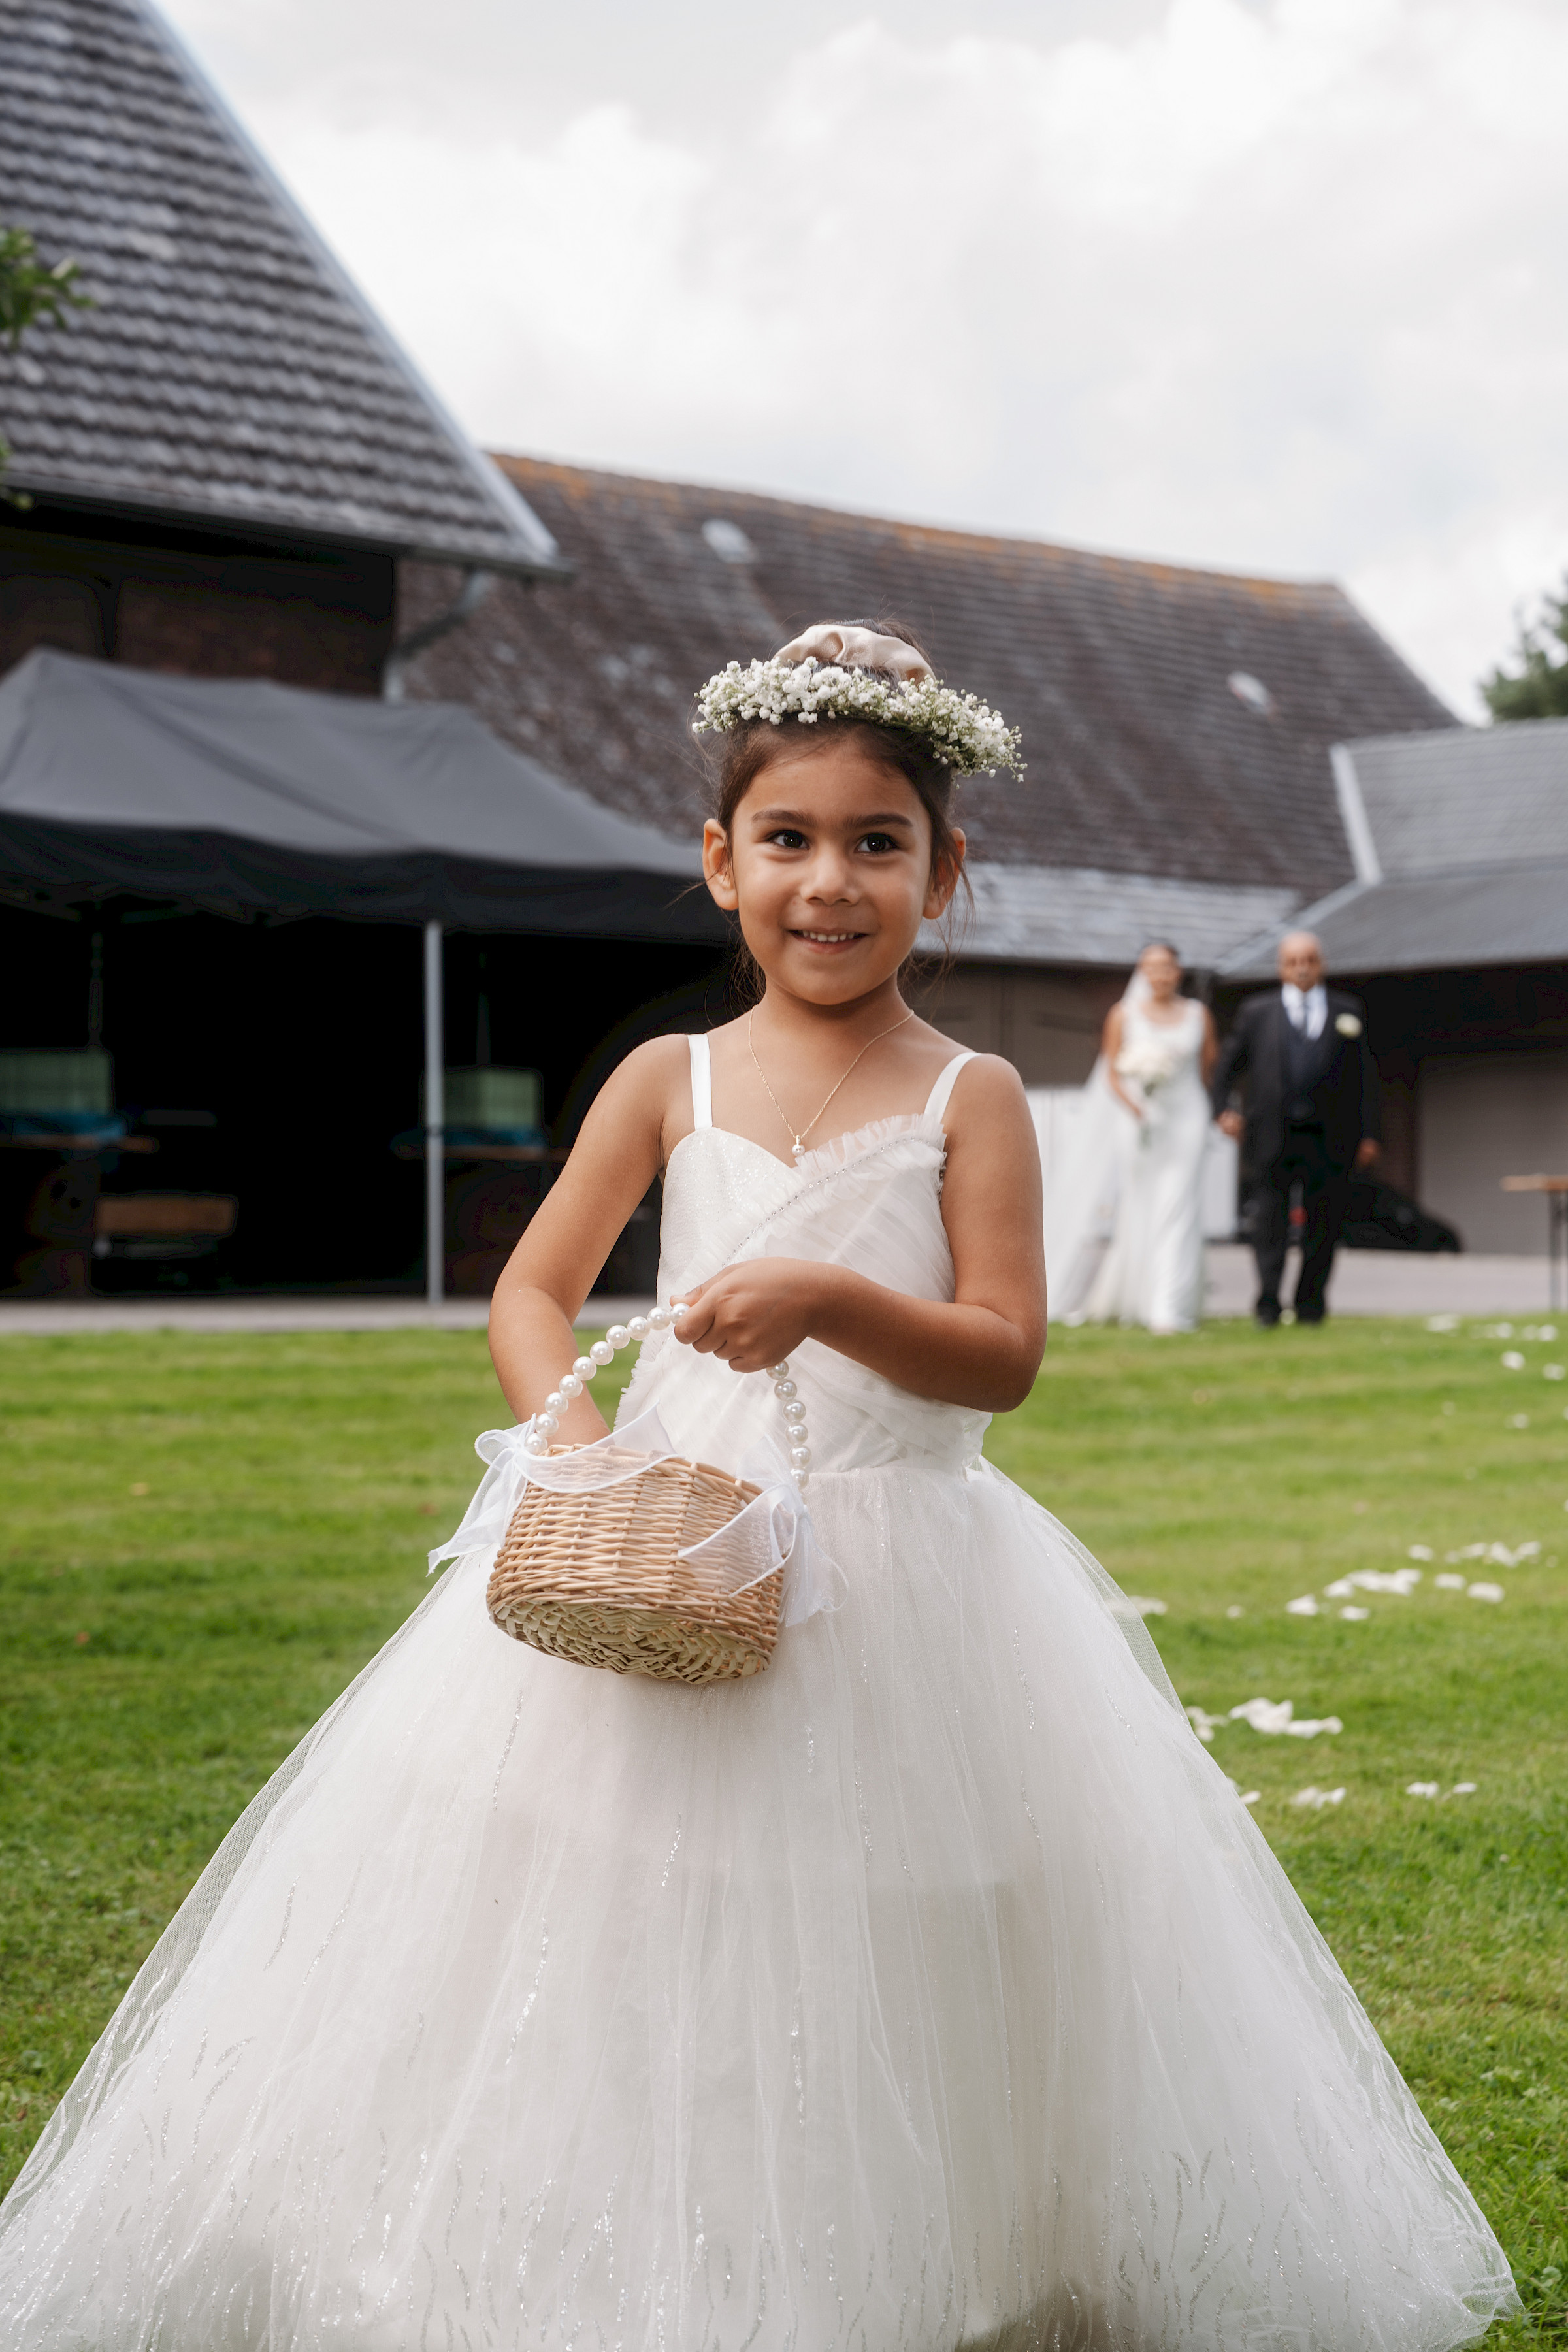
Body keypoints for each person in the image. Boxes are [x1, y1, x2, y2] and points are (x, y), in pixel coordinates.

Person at [0, 625, 1514, 2349]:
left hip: (906, 1578)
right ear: (721, 862)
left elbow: (1003, 1351)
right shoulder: (672, 1077)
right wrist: (585, 1454)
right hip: (677, 1539)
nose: (830, 882)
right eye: (788, 839)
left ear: (948, 873)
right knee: (619, 1903)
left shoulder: (977, 1096)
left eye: (878, 843)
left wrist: (833, 1302)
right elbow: (532, 1294)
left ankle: (911, 2253)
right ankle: (621, 2238)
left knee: (894, 1924)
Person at [1210, 929, 1381, 1326]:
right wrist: (1223, 1110)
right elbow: (1227, 1067)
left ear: (1321, 965)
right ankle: (1268, 1302)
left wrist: (1371, 1132)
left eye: (1309, 960)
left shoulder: (1347, 1010)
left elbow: (1366, 1078)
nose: (1302, 968)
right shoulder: (1257, 1012)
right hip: (1272, 1134)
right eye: (1293, 961)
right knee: (1270, 1221)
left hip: (1332, 1136)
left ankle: (1311, 1305)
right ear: (1281, 967)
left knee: (1325, 1221)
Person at [1084, 940, 1217, 1333]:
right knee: (1141, 1203)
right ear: (1142, 972)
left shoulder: (1198, 1014)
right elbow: (1111, 1074)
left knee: (1179, 1203)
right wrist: (1136, 1106)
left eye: (1167, 967)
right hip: (1140, 1120)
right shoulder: (1123, 1014)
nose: (1160, 974)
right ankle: (1137, 1296)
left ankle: (1169, 1305)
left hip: (1187, 1117)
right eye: (1152, 967)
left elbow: (1209, 1066)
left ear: (1179, 971)